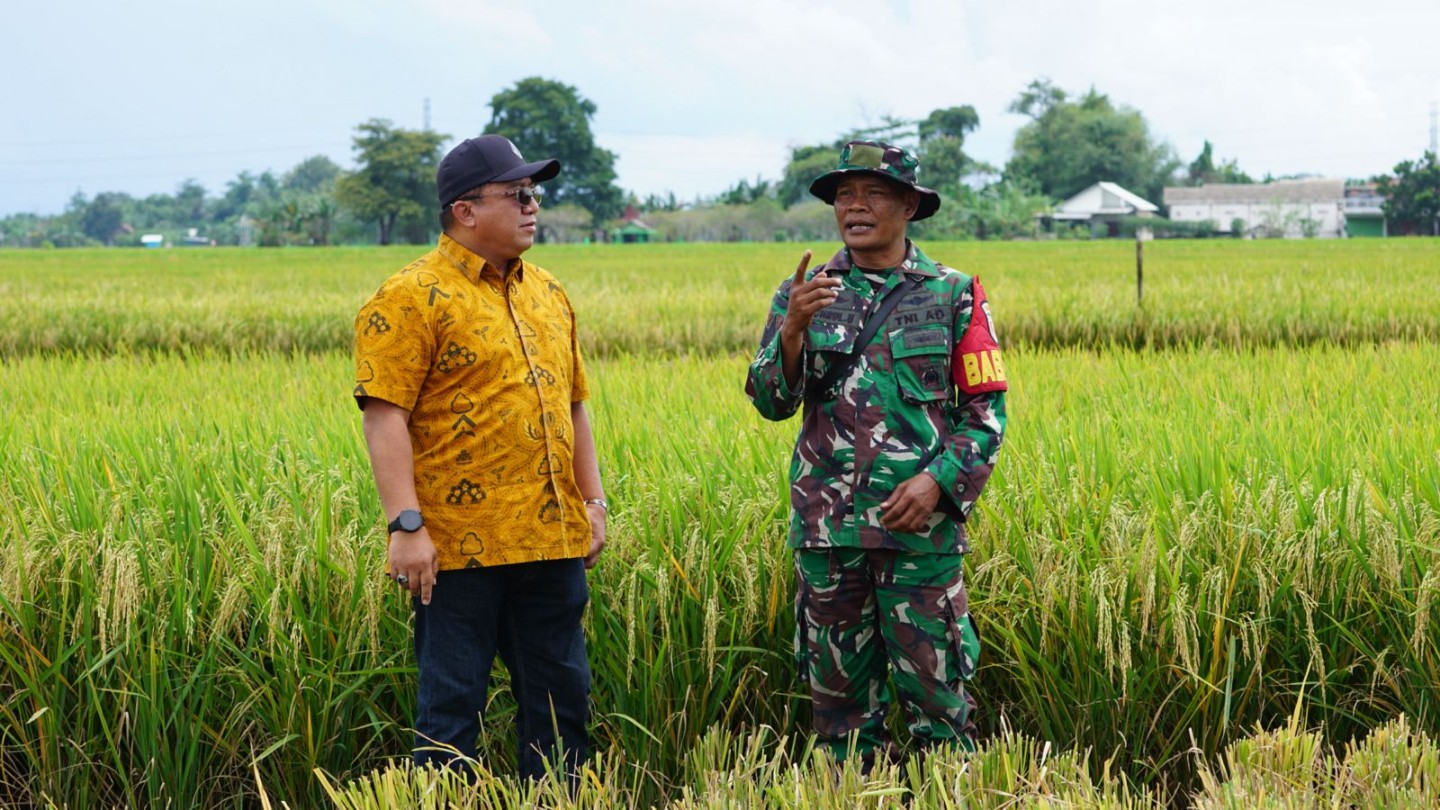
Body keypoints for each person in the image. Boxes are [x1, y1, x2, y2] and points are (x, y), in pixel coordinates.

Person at [744, 140, 1007, 769]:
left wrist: (937, 482)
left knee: (940, 705)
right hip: (829, 533)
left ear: (909, 206)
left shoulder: (955, 294)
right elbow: (770, 401)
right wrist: (791, 331)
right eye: (844, 195)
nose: (855, 207)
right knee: (839, 716)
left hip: (918, 535)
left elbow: (986, 415)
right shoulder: (804, 292)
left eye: (873, 194)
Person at [352, 134, 608, 780]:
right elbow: (384, 416)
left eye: (534, 192)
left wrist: (594, 501)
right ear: (465, 211)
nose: (532, 205)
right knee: (450, 716)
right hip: (457, 552)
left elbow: (574, 406)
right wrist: (405, 525)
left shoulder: (548, 294)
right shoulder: (408, 297)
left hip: (551, 540)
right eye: (517, 194)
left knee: (563, 712)